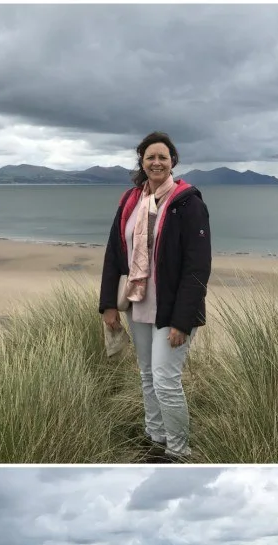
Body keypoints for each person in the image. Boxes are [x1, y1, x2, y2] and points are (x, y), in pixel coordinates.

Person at [99, 130, 211, 462]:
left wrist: (183, 320)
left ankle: (178, 451)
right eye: (151, 157)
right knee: (147, 374)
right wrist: (108, 304)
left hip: (173, 310)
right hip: (138, 302)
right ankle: (155, 437)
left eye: (163, 156)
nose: (157, 162)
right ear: (142, 162)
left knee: (165, 380)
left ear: (173, 161)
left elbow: (198, 267)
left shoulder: (189, 203)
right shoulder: (131, 201)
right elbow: (114, 252)